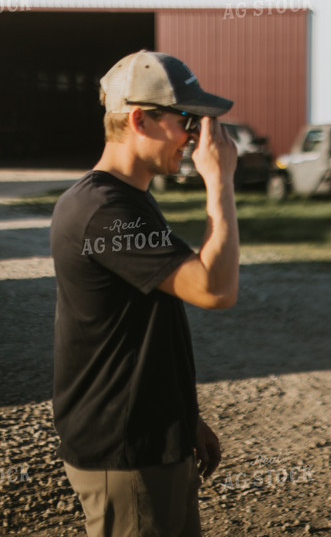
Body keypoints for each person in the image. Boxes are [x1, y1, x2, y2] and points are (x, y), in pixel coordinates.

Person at [50, 50, 239, 537]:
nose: (196, 136)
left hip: (155, 437)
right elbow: (215, 290)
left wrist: (184, 417)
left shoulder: (128, 200)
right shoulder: (104, 210)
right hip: (127, 451)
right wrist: (219, 181)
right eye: (187, 120)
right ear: (140, 119)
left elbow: (143, 328)